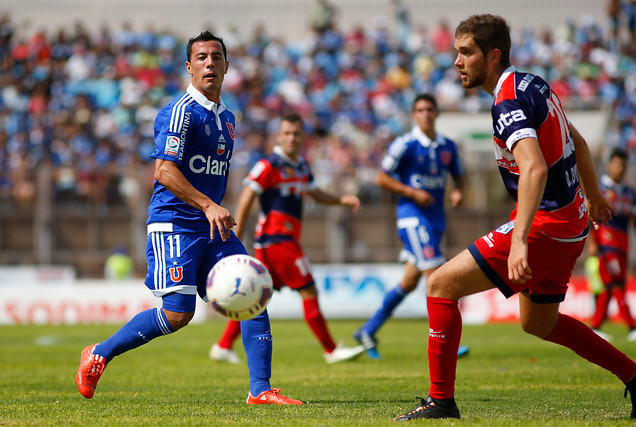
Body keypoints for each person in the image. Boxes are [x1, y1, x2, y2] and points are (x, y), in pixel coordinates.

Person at [394, 14, 636, 420]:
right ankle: (635, 376)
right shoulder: (531, 83)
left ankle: (441, 401)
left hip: (548, 224)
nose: (457, 61)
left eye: (465, 52)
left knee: (439, 285)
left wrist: (521, 239)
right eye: (456, 51)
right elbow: (577, 141)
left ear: (492, 56)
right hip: (572, 221)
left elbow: (535, 168)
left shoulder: (507, 99)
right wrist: (594, 196)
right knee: (539, 322)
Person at [75, 31, 302, 405]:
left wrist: (215, 211)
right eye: (201, 58)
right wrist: (209, 205)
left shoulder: (228, 118)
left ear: (227, 66)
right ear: (189, 67)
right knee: (178, 315)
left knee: (253, 290)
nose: (209, 63)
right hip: (175, 224)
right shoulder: (181, 112)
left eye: (216, 57)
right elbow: (164, 171)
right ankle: (99, 352)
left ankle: (260, 390)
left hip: (213, 227)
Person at [210, 113, 365, 365]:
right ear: (279, 136)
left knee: (256, 296)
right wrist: (236, 234)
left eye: (296, 134)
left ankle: (223, 345)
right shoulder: (269, 164)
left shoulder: (302, 165)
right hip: (276, 239)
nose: (291, 138)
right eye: (287, 134)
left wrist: (341, 200)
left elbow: (314, 193)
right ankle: (331, 349)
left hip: (279, 240)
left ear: (303, 137)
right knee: (308, 289)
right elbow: (248, 193)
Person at [352, 94, 467, 359]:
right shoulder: (405, 144)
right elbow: (382, 177)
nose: (425, 114)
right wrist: (412, 193)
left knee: (409, 280)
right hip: (413, 218)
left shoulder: (448, 146)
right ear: (414, 115)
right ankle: (446, 338)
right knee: (437, 277)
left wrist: (459, 191)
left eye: (430, 109)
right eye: (420, 110)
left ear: (437, 113)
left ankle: (367, 331)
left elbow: (460, 175)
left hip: (436, 219)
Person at [590, 148, 636, 342]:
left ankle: (596, 326)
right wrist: (592, 242)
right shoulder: (599, 189)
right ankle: (631, 326)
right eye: (617, 164)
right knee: (615, 283)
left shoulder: (630, 193)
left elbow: (635, 220)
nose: (620, 169)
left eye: (623, 165)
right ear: (610, 165)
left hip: (623, 244)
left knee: (613, 285)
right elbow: (590, 216)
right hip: (606, 242)